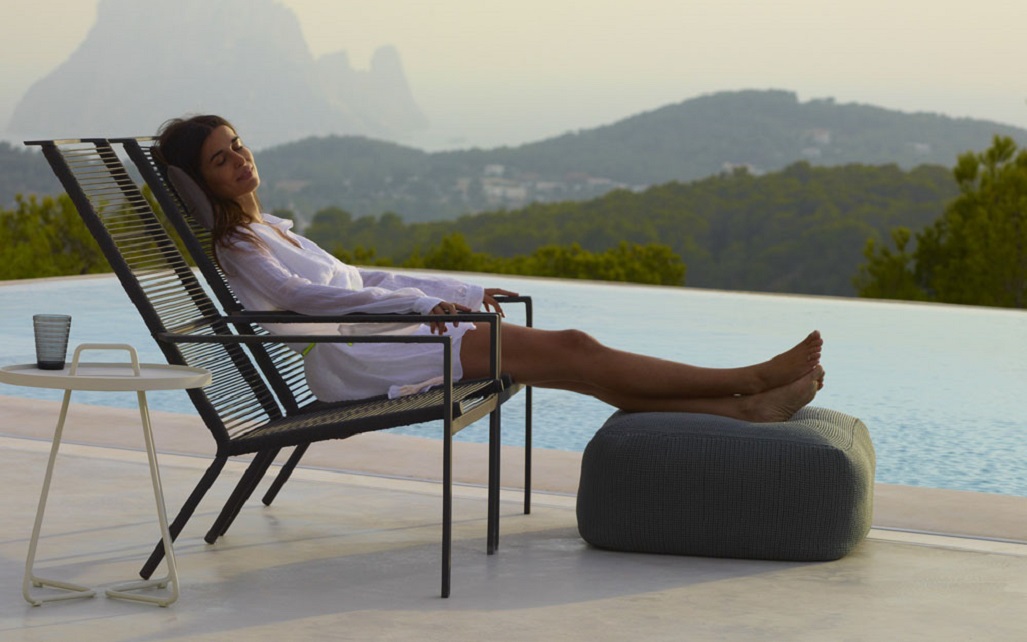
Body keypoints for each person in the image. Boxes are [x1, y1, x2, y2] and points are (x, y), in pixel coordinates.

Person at [154, 115, 825, 422]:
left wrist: (461, 290)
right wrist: (426, 307)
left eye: (237, 145)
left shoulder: (269, 229)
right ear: (198, 182)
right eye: (220, 159)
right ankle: (747, 380)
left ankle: (742, 409)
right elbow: (305, 300)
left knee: (573, 368)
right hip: (361, 356)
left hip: (382, 337)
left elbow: (361, 281)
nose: (239, 159)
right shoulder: (237, 246)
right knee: (575, 350)